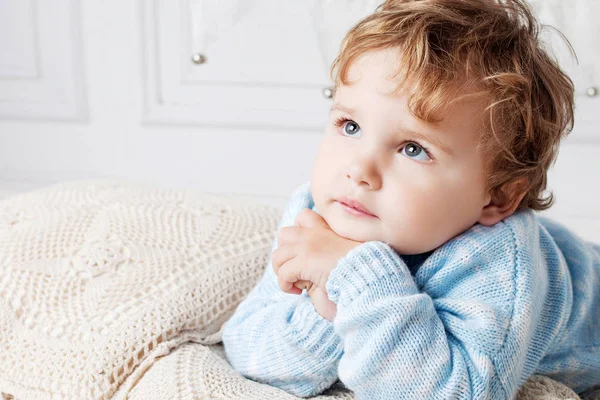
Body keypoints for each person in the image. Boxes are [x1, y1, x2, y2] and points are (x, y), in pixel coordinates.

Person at [222, 0, 600, 398]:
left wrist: (356, 277)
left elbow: (456, 391)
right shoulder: (317, 213)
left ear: (497, 198)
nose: (359, 170)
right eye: (350, 125)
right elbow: (250, 352)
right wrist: (328, 308)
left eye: (413, 149)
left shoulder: (500, 262)